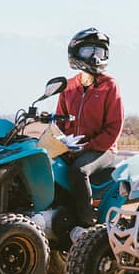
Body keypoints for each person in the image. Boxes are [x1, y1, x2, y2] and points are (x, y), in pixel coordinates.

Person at [52, 27, 124, 238]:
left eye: (99, 52)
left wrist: (87, 146)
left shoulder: (110, 85)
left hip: (103, 150)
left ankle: (87, 226)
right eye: (88, 50)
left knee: (79, 171)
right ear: (75, 52)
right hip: (72, 146)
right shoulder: (68, 86)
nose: (94, 57)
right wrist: (60, 143)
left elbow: (114, 127)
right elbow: (59, 122)